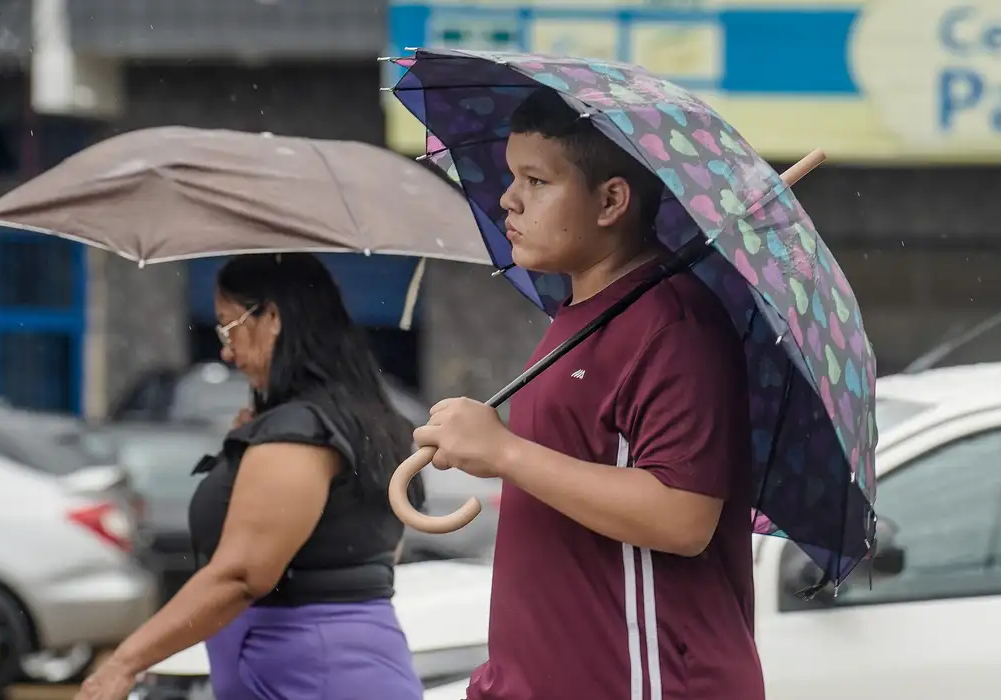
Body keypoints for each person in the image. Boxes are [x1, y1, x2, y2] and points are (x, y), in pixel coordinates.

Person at [413, 87, 765, 699]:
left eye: (537, 181)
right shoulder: (579, 314)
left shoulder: (674, 326)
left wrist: (502, 453)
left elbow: (682, 516)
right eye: (510, 177)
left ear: (611, 201)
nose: (508, 199)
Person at [76, 253, 425, 700]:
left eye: (228, 326)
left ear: (273, 317)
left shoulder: (302, 432)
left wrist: (124, 664)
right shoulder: (362, 420)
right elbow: (363, 549)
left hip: (312, 676)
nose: (225, 349)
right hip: (335, 665)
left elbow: (242, 574)